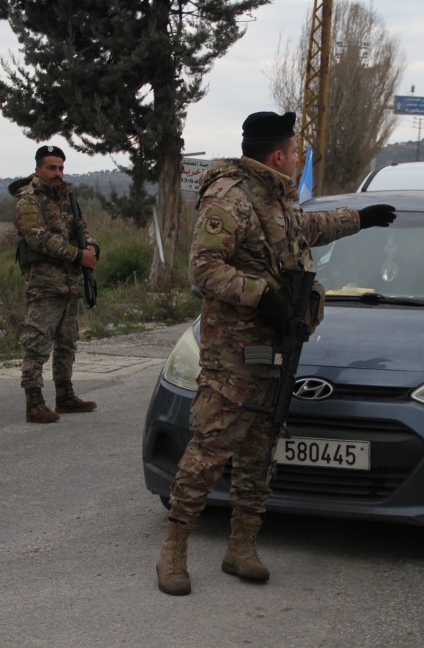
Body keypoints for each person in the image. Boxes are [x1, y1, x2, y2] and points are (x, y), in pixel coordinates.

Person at [156, 110, 396, 595]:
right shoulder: (228, 197)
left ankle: (241, 546)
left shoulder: (273, 199)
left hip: (275, 350)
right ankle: (174, 550)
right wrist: (260, 295)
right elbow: (203, 269)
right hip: (234, 353)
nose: (296, 158)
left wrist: (360, 219)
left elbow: (303, 230)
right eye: (294, 150)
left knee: (260, 447)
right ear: (278, 155)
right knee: (210, 447)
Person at [11, 145, 100, 423]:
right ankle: (34, 401)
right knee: (36, 344)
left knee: (67, 342)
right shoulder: (28, 201)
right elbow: (38, 238)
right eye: (52, 168)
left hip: (70, 284)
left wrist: (92, 248)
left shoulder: (67, 199)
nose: (58, 173)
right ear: (38, 169)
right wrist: (78, 255)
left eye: (61, 168)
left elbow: (82, 231)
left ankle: (65, 394)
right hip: (45, 285)